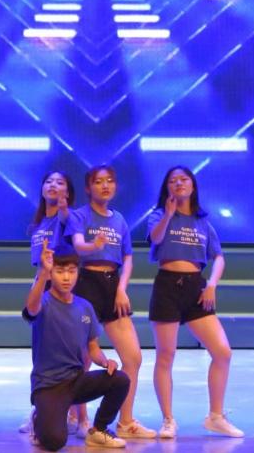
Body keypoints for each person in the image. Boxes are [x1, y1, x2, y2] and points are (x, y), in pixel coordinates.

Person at [147, 166, 243, 438]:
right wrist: (168, 214)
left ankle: (216, 416)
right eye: (173, 181)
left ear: (192, 185)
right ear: (167, 188)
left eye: (184, 179)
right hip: (167, 286)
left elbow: (219, 257)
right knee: (166, 355)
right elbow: (155, 238)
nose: (178, 183)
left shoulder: (203, 223)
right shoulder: (158, 215)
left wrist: (211, 285)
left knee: (222, 352)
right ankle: (168, 420)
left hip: (196, 289)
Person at [68, 165, 156, 439]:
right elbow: (78, 245)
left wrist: (122, 289)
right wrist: (93, 246)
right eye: (98, 181)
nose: (105, 185)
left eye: (109, 181)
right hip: (86, 284)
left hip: (113, 286)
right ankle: (79, 418)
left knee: (133, 357)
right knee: (81, 358)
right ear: (88, 187)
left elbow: (127, 257)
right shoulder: (79, 215)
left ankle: (125, 421)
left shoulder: (119, 220)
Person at [24, 241, 130, 450]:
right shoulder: (44, 302)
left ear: (77, 273)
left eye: (71, 271)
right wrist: (43, 273)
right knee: (54, 441)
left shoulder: (85, 306)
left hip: (76, 381)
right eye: (60, 271)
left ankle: (98, 429)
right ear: (52, 273)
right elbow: (31, 308)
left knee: (120, 380)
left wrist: (105, 361)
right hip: (48, 385)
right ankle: (39, 418)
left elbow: (93, 347)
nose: (66, 277)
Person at [20, 170, 87, 436]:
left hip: (62, 285)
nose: (53, 185)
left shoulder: (67, 218)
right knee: (42, 352)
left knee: (74, 352)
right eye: (49, 181)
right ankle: (41, 409)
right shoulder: (37, 224)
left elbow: (66, 219)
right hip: (41, 284)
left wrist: (63, 207)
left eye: (60, 183)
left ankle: (80, 416)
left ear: (68, 192)